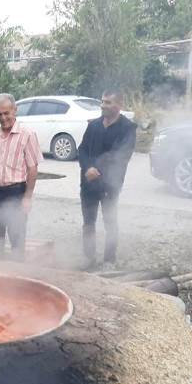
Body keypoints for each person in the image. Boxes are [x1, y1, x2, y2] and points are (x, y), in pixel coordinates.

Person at [78, 89, 137, 270]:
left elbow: (121, 155)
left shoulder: (127, 128)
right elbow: (82, 150)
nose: (103, 105)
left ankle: (109, 260)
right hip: (88, 183)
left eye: (108, 102)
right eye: (102, 102)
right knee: (88, 223)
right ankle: (89, 258)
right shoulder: (94, 126)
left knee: (110, 223)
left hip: (110, 185)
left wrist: (99, 169)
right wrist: (88, 167)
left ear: (119, 105)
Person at [0, 93, 42, 260]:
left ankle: (16, 274)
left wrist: (27, 198)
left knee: (17, 236)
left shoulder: (27, 134)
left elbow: (32, 169)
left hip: (16, 192)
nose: (3, 118)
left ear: (15, 110)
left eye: (6, 113)